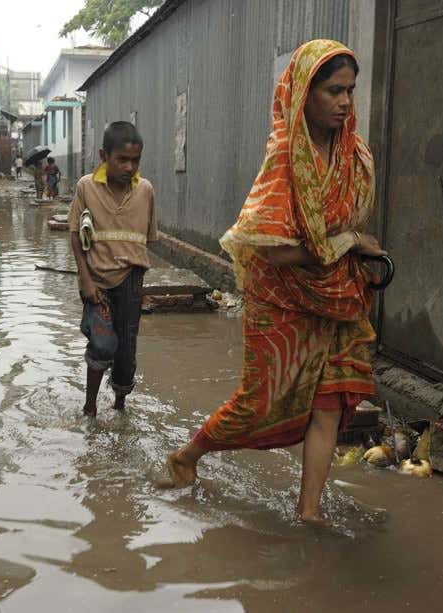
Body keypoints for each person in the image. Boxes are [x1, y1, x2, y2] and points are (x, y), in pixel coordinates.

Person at [158, 40, 388, 525]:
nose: (345, 102)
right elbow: (275, 249)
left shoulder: (355, 155)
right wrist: (349, 243)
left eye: (350, 90)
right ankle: (187, 456)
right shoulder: (285, 159)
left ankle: (309, 513)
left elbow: (346, 223)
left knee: (329, 403)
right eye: (333, 91)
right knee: (258, 403)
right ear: (304, 93)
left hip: (338, 297)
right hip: (281, 296)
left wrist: (351, 252)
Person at [67, 121, 158, 417]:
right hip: (97, 282)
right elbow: (73, 233)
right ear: (103, 155)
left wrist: (141, 289)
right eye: (122, 159)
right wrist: (85, 279)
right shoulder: (86, 187)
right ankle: (90, 407)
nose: (129, 167)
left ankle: (119, 408)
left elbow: (148, 240)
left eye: (136, 160)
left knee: (125, 353)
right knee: (103, 344)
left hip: (131, 282)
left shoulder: (145, 191)